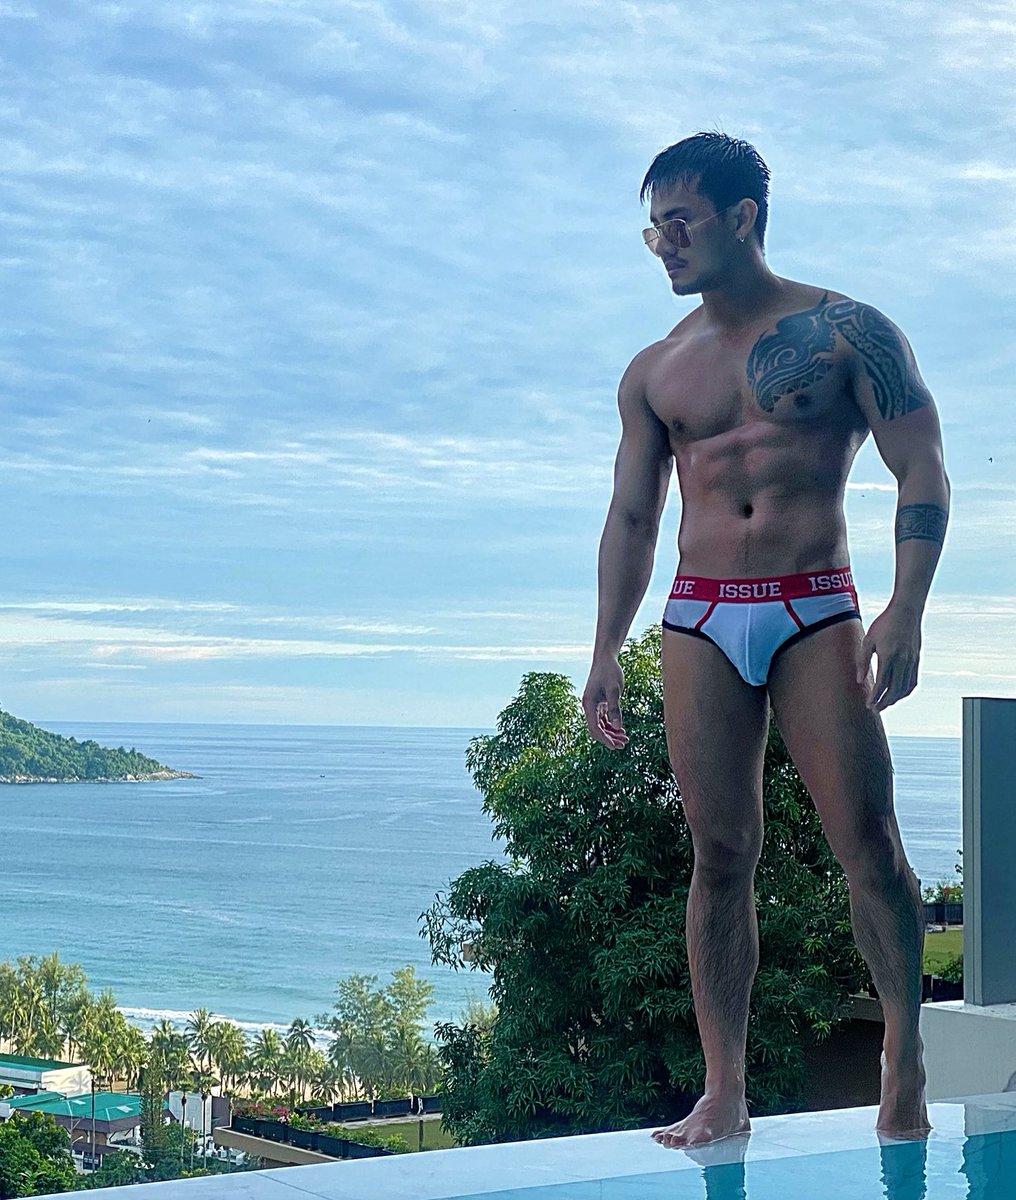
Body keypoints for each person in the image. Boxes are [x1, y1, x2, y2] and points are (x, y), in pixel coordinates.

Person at [581, 132, 949, 1149]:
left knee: (867, 841)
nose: (663, 243)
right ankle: (724, 1088)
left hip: (814, 606)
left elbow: (919, 466)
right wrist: (604, 649)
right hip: (699, 613)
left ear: (742, 217)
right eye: (652, 228)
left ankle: (902, 1053)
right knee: (718, 854)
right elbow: (632, 518)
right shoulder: (655, 370)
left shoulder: (847, 331)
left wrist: (905, 609)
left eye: (680, 222)